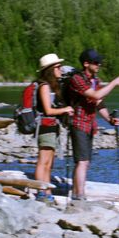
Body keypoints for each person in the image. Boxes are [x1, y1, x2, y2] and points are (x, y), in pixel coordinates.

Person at [66, 48, 119, 201]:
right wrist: (114, 82)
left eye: (99, 62)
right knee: (82, 161)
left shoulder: (94, 80)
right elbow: (95, 95)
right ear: (86, 64)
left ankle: (76, 192)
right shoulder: (77, 79)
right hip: (78, 123)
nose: (99, 64)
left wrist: (109, 120)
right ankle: (79, 196)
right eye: (95, 62)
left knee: (85, 161)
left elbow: (98, 102)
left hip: (89, 124)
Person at [33, 53, 73, 203]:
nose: (60, 69)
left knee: (49, 163)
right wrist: (65, 110)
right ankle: (41, 192)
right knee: (43, 161)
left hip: (51, 127)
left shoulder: (51, 86)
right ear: (50, 69)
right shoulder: (44, 86)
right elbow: (48, 110)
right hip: (45, 127)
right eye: (57, 67)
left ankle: (46, 190)